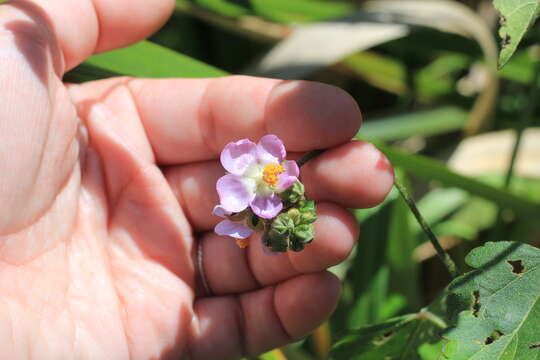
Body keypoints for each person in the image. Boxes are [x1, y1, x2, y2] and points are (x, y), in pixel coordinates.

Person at [0, 0, 394, 359]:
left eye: (275, 173)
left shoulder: (275, 186)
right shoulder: (257, 187)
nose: (275, 173)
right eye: (272, 172)